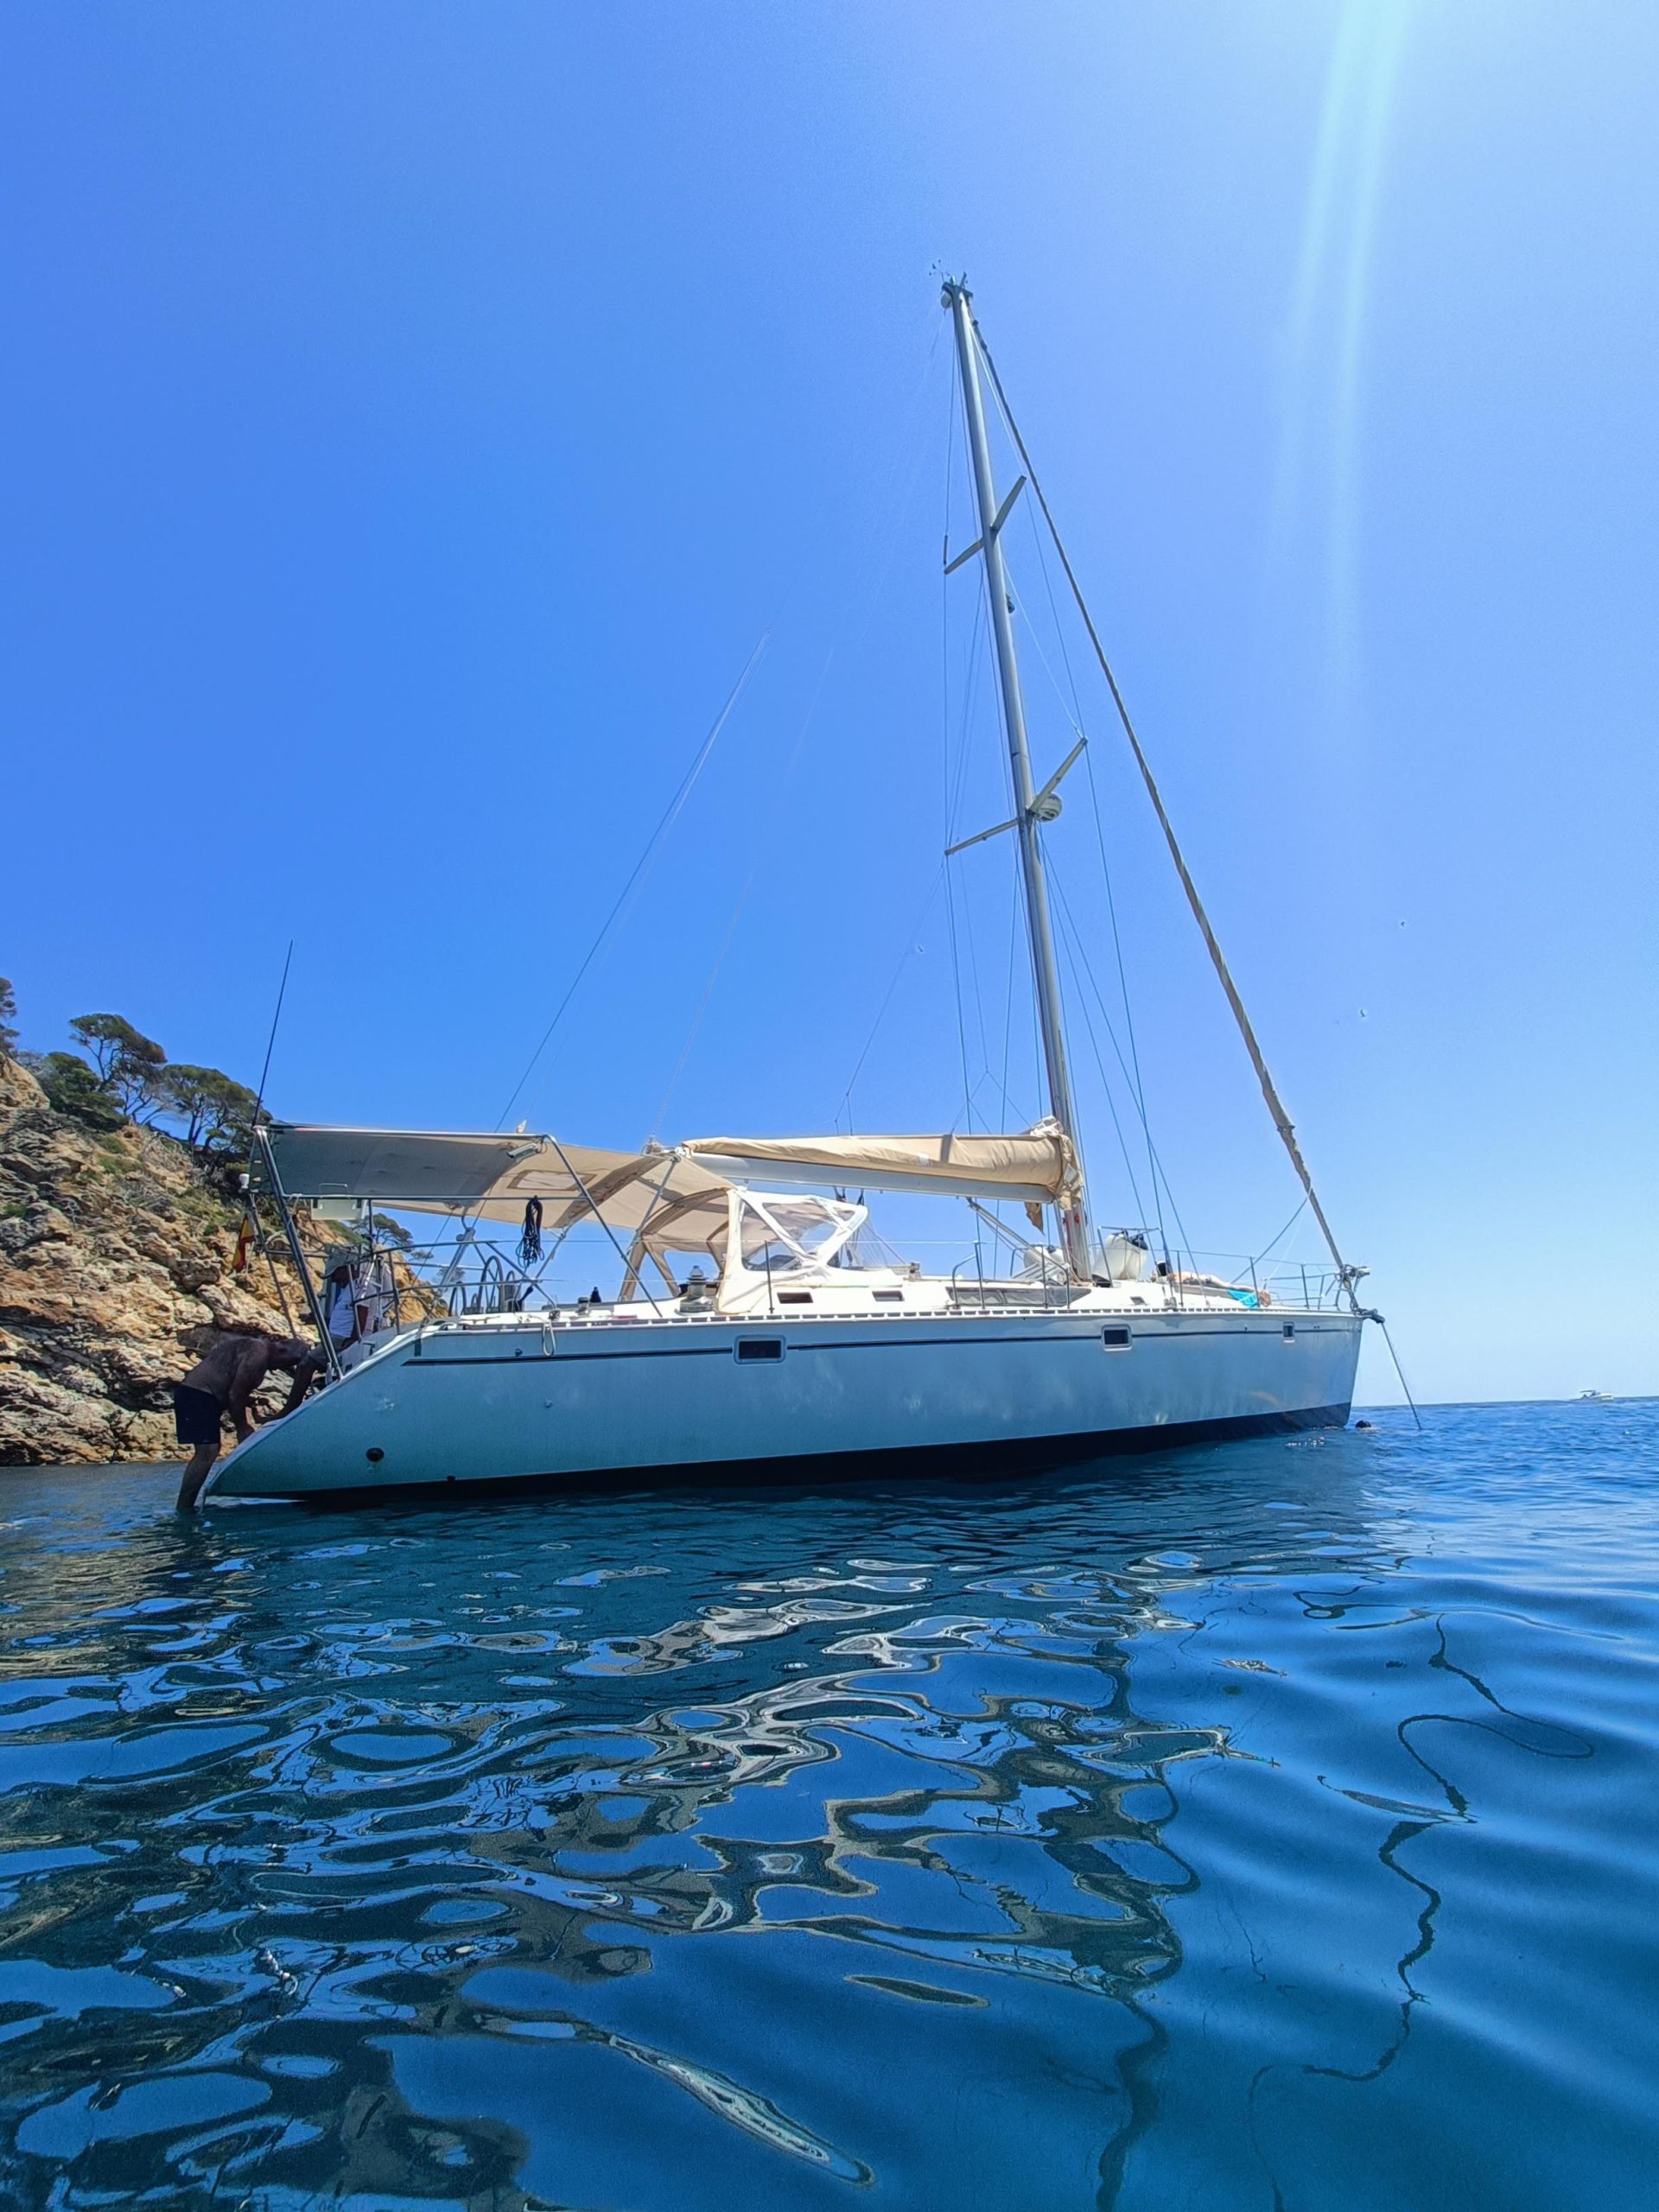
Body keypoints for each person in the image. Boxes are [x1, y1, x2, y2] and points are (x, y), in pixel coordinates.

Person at [174, 1333, 321, 1511]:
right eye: (287, 1363)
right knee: (207, 1452)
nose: (280, 1368)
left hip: (202, 1395)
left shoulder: (257, 1352)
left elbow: (238, 1393)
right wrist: (242, 1428)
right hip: (198, 1394)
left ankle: (186, 1506)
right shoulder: (258, 1352)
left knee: (209, 1451)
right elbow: (236, 1394)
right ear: (282, 1349)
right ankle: (184, 1508)